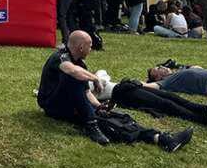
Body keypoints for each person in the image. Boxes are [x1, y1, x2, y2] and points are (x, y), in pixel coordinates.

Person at [37, 31, 192, 151]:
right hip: (52, 105)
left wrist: (99, 106)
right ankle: (91, 125)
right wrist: (95, 78)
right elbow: (71, 71)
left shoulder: (80, 64)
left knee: (113, 116)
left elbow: (86, 92)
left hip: (71, 103)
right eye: (90, 46)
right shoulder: (60, 57)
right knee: (75, 77)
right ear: (81, 47)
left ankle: (160, 137)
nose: (91, 50)